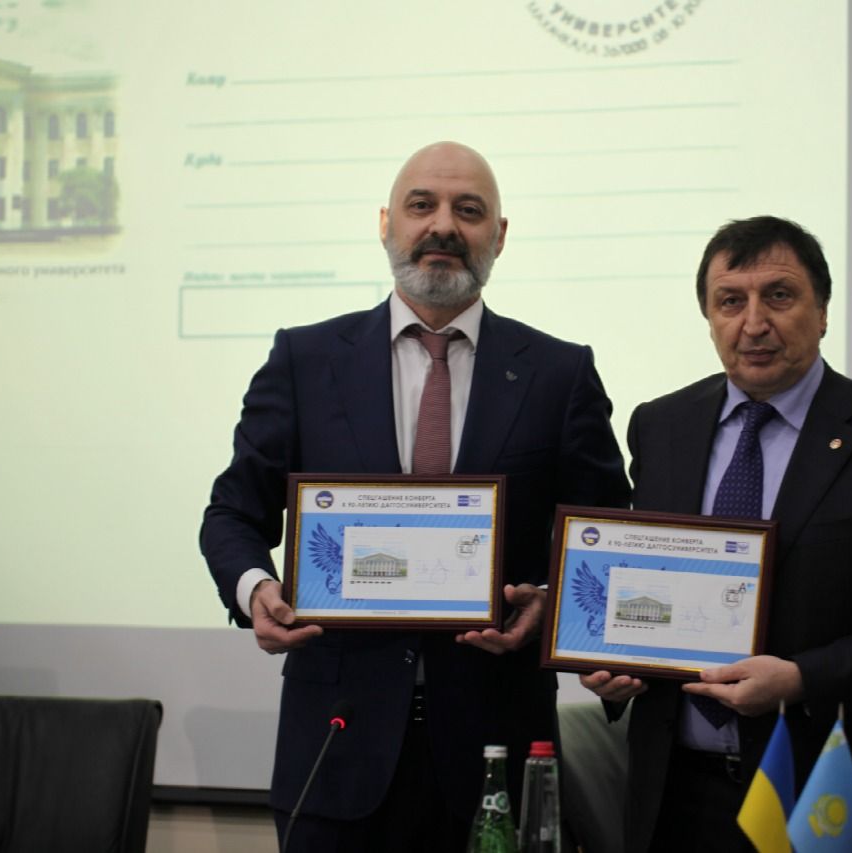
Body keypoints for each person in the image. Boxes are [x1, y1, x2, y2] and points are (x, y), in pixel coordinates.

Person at [201, 141, 631, 852]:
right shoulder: (305, 360)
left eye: (469, 210)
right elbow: (232, 513)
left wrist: (551, 602)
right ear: (386, 223)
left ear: (499, 235)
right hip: (337, 751)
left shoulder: (559, 373)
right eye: (421, 205)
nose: (443, 226)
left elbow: (607, 540)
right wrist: (255, 590)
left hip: (498, 754)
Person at [582, 216, 852, 853]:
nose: (754, 324)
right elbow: (644, 580)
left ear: (822, 312)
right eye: (730, 301)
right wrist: (614, 663)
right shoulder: (661, 425)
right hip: (674, 798)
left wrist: (802, 679)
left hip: (821, 792)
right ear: (709, 318)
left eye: (778, 296)